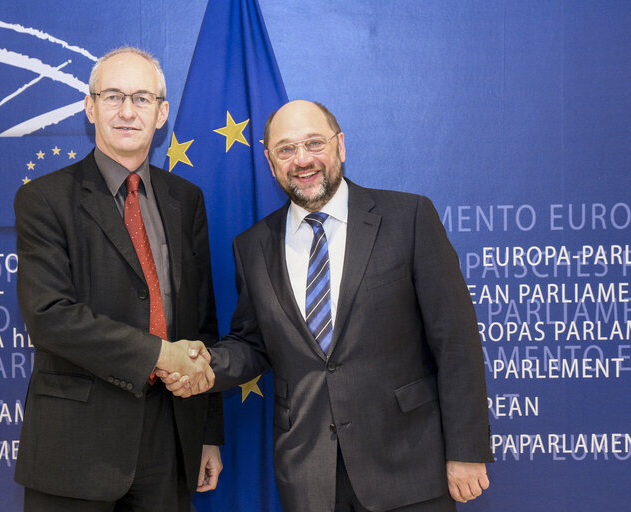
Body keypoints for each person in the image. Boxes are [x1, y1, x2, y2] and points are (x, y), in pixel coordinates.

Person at [162, 100, 493, 511]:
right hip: (309, 475)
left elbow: (456, 341)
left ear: (340, 146)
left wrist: (466, 450)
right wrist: (205, 365)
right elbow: (253, 343)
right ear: (269, 162)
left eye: (314, 143)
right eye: (286, 150)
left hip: (409, 467)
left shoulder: (408, 218)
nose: (302, 160)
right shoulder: (252, 246)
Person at [13, 47, 223, 512]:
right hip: (75, 448)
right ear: (90, 107)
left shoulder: (186, 200)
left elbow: (200, 320)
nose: (127, 111)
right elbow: (50, 317)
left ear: (162, 112)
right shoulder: (43, 199)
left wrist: (207, 432)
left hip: (170, 440)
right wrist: (157, 354)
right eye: (113, 96)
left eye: (142, 98)